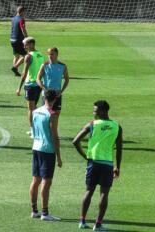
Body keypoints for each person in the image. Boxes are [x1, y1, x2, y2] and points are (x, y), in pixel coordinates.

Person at [72, 100, 123, 231]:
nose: (93, 113)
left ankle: (82, 222)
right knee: (104, 194)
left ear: (103, 111)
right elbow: (119, 148)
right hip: (107, 164)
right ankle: (98, 224)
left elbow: (75, 141)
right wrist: (117, 167)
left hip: (93, 163)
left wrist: (85, 156)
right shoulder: (117, 126)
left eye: (95, 111)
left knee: (89, 191)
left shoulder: (92, 125)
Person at [29, 89, 62, 221]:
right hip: (47, 150)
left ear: (44, 98)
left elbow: (34, 129)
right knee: (46, 182)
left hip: (36, 148)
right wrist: (59, 157)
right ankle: (45, 213)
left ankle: (34, 210)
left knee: (35, 180)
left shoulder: (35, 111)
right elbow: (55, 136)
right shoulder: (52, 114)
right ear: (54, 99)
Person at [16, 37, 45, 137]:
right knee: (35, 108)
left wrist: (19, 87)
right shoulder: (40, 54)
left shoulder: (28, 56)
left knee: (31, 109)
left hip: (30, 85)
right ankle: (38, 129)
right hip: (39, 84)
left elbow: (24, 73)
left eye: (26, 44)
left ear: (32, 44)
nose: (24, 46)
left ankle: (33, 132)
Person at [36, 47, 69, 126]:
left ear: (57, 54)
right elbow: (38, 79)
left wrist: (61, 91)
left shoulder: (62, 66)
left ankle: (54, 132)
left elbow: (67, 79)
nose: (50, 56)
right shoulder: (44, 65)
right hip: (47, 95)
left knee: (56, 115)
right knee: (46, 115)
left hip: (57, 94)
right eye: (49, 54)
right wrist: (44, 89)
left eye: (52, 54)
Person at [10, 6, 28, 77]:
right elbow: (23, 29)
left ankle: (15, 72)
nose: (25, 13)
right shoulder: (21, 19)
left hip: (12, 39)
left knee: (16, 55)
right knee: (26, 56)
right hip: (18, 40)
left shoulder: (13, 19)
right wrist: (27, 38)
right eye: (24, 12)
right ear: (22, 11)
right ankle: (15, 67)